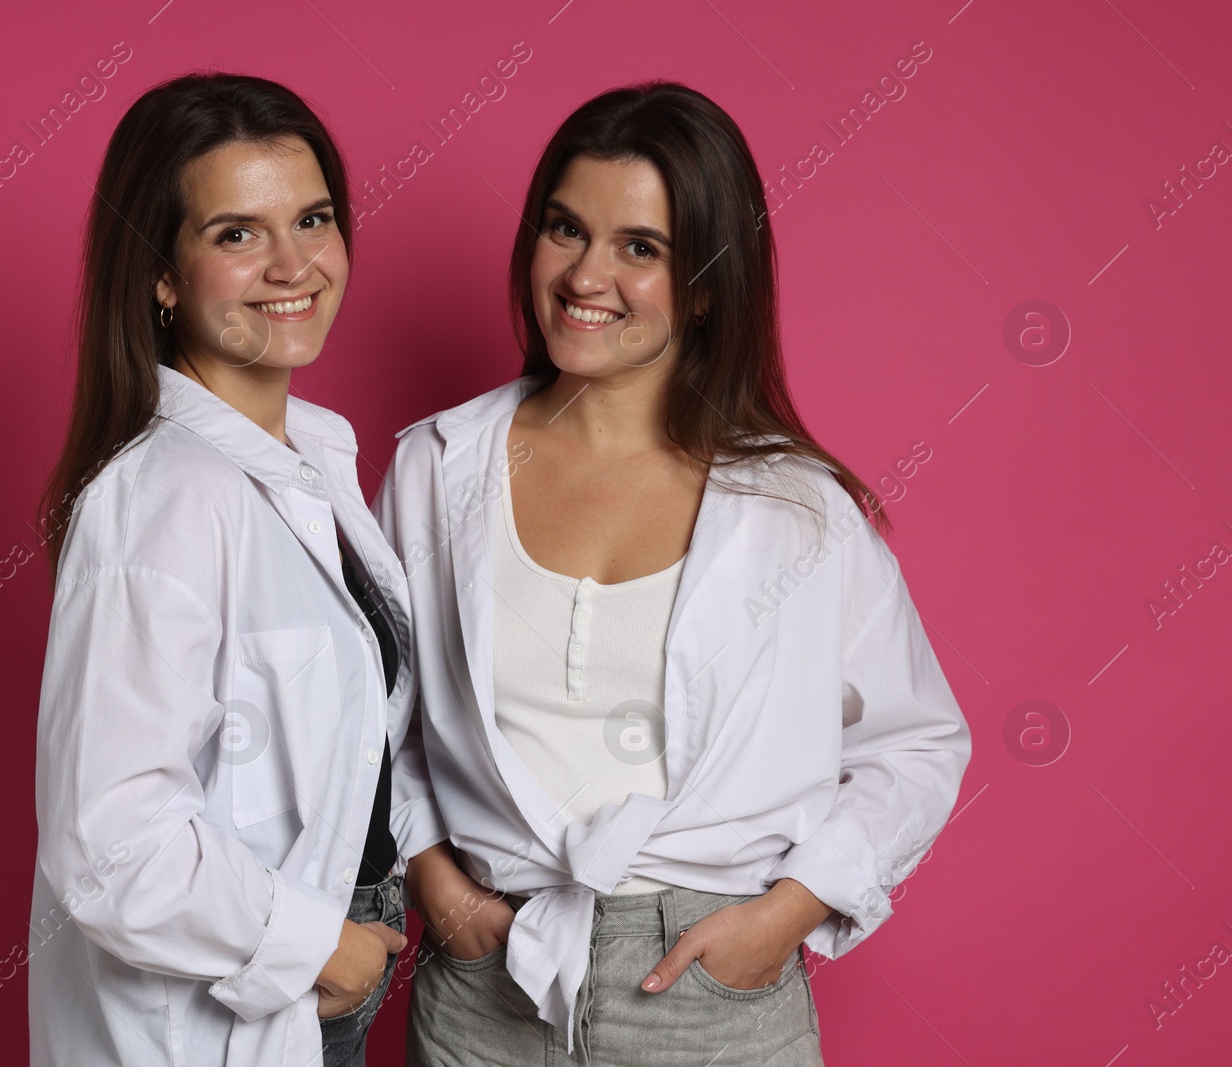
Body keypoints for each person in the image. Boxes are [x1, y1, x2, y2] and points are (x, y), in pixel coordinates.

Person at [378, 80, 973, 1066]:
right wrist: (434, 873)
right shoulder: (434, 468)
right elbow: (376, 714)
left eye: (639, 247)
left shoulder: (796, 506)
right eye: (565, 229)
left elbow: (916, 738)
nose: (586, 274)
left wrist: (789, 911)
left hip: (712, 991)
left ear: (703, 283)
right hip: (488, 984)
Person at [28, 72, 439, 1067]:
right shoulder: (165, 494)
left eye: (314, 219)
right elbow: (109, 841)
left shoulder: (311, 465)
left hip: (316, 982)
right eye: (236, 233)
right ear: (162, 273)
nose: (293, 263)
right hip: (232, 1000)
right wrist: (321, 946)